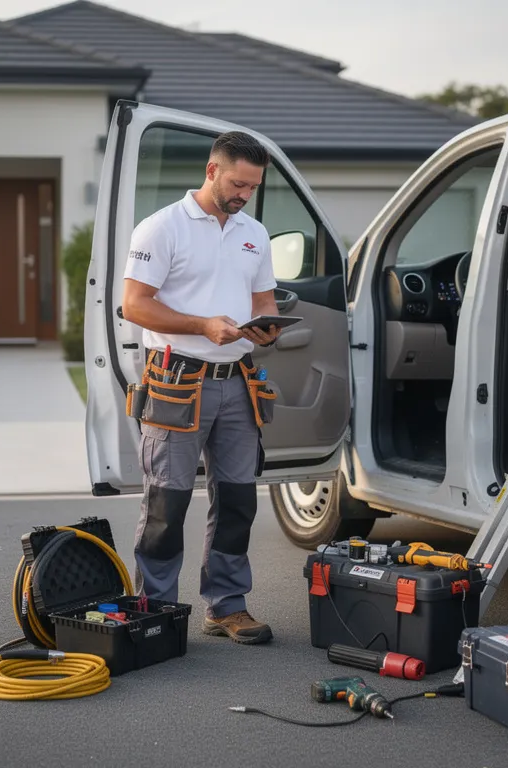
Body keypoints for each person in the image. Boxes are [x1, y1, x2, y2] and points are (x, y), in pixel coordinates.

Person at [121, 130, 282, 645]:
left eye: (252, 187)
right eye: (237, 183)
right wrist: (202, 325)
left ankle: (226, 606)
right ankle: (157, 611)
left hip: (237, 381)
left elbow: (265, 302)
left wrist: (270, 325)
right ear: (212, 170)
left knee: (237, 500)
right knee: (166, 504)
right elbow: (135, 305)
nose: (243, 195)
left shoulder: (254, 232)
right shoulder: (162, 227)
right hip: (175, 379)